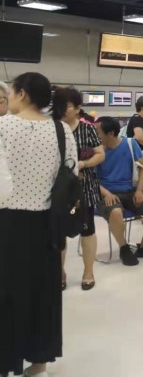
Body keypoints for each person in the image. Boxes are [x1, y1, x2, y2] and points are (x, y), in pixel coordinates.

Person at [0, 72, 77, 377]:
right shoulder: (62, 130)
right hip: (47, 223)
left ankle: (6, 361)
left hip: (7, 222)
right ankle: (39, 363)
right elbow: (71, 172)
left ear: (21, 93)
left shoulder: (2, 126)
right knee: (43, 292)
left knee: (7, 291)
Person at [52, 87, 105, 291]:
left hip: (84, 188)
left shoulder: (87, 129)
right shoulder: (51, 128)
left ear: (77, 108)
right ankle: (59, 272)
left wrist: (82, 164)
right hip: (57, 189)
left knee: (87, 229)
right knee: (58, 233)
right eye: (60, 105)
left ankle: (88, 271)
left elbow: (100, 154)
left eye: (67, 105)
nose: (63, 109)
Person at [95, 117, 143, 266]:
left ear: (110, 133)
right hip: (106, 192)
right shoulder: (96, 150)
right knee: (115, 212)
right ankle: (124, 248)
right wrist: (106, 194)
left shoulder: (130, 144)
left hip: (130, 190)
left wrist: (139, 190)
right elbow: (91, 178)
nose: (96, 135)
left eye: (98, 132)